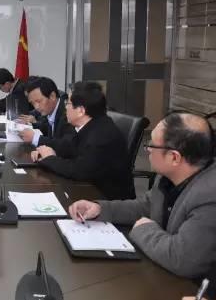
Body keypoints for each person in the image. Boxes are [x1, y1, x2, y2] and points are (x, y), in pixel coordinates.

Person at [70, 112, 216, 280]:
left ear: (174, 157)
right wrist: (101, 209)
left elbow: (183, 259)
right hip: (162, 271)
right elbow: (147, 206)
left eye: (152, 145)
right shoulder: (169, 175)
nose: (147, 149)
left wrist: (143, 229)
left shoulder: (209, 196)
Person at [30, 81, 135, 200]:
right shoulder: (92, 125)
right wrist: (44, 152)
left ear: (81, 111)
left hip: (106, 200)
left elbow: (79, 170)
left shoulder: (102, 136)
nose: (65, 107)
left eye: (68, 103)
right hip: (88, 190)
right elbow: (69, 146)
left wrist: (50, 158)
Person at [19, 77, 74, 146]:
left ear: (52, 96)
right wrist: (31, 125)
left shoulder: (67, 113)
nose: (36, 107)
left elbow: (65, 145)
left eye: (39, 101)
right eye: (32, 103)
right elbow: (46, 128)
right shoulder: (50, 111)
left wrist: (36, 138)